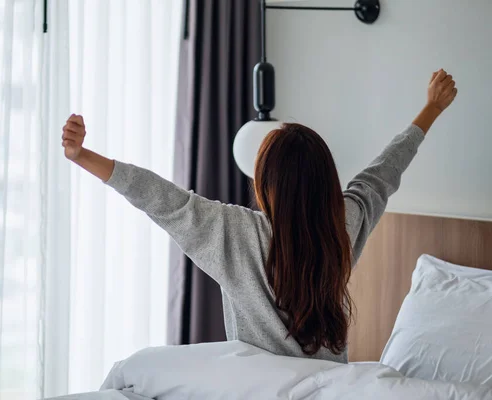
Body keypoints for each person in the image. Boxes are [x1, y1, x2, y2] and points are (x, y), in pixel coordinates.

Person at [60, 69, 458, 363]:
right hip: (330, 387)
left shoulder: (234, 232)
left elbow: (163, 199)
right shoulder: (344, 223)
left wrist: (83, 157)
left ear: (267, 186)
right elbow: (385, 171)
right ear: (325, 179)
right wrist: (431, 108)